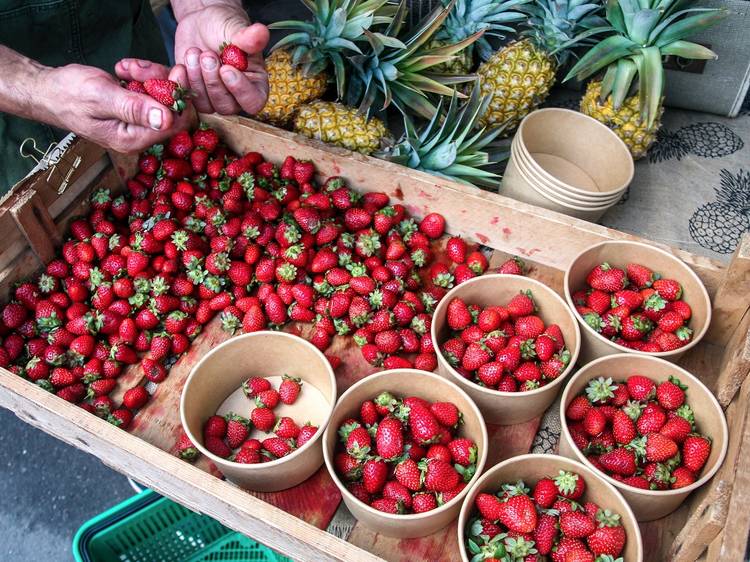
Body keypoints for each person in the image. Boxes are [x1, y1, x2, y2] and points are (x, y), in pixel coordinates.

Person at [0, 0, 270, 193]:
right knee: (45, 206)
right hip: (11, 109)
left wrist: (202, 7)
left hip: (123, 41)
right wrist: (34, 83)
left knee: (161, 154)